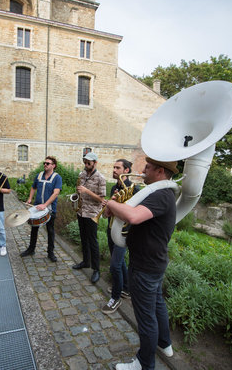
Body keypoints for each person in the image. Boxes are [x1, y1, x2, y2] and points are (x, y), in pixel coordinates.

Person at [105, 157, 179, 370]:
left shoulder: (161, 195)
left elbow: (135, 217)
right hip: (153, 263)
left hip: (145, 266)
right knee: (157, 305)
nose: (143, 170)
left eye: (147, 167)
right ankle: (165, 344)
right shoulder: (161, 194)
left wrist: (111, 203)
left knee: (146, 318)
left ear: (160, 171)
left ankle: (144, 364)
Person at [102, 159, 139, 314]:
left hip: (124, 233)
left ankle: (115, 298)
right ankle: (125, 289)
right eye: (114, 167)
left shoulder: (135, 189)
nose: (114, 169)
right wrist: (109, 207)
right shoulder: (115, 188)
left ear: (127, 170)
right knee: (120, 263)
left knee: (115, 265)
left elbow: (134, 213)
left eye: (118, 167)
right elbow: (109, 212)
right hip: (112, 229)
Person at [72, 152, 106, 283]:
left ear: (95, 163)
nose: (86, 165)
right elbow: (78, 191)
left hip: (92, 214)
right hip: (81, 211)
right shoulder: (82, 174)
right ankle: (86, 262)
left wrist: (87, 191)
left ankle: (96, 269)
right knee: (83, 238)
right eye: (85, 162)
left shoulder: (100, 178)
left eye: (89, 163)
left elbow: (101, 200)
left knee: (93, 242)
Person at [20, 156, 62, 262]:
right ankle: (31, 249)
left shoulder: (57, 177)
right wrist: (30, 199)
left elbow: (56, 193)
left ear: (53, 165)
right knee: (34, 228)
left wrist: (45, 204)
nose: (45, 165)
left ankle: (50, 252)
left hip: (49, 208)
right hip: (37, 207)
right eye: (45, 163)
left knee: (50, 230)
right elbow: (33, 187)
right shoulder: (39, 175)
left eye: (48, 163)